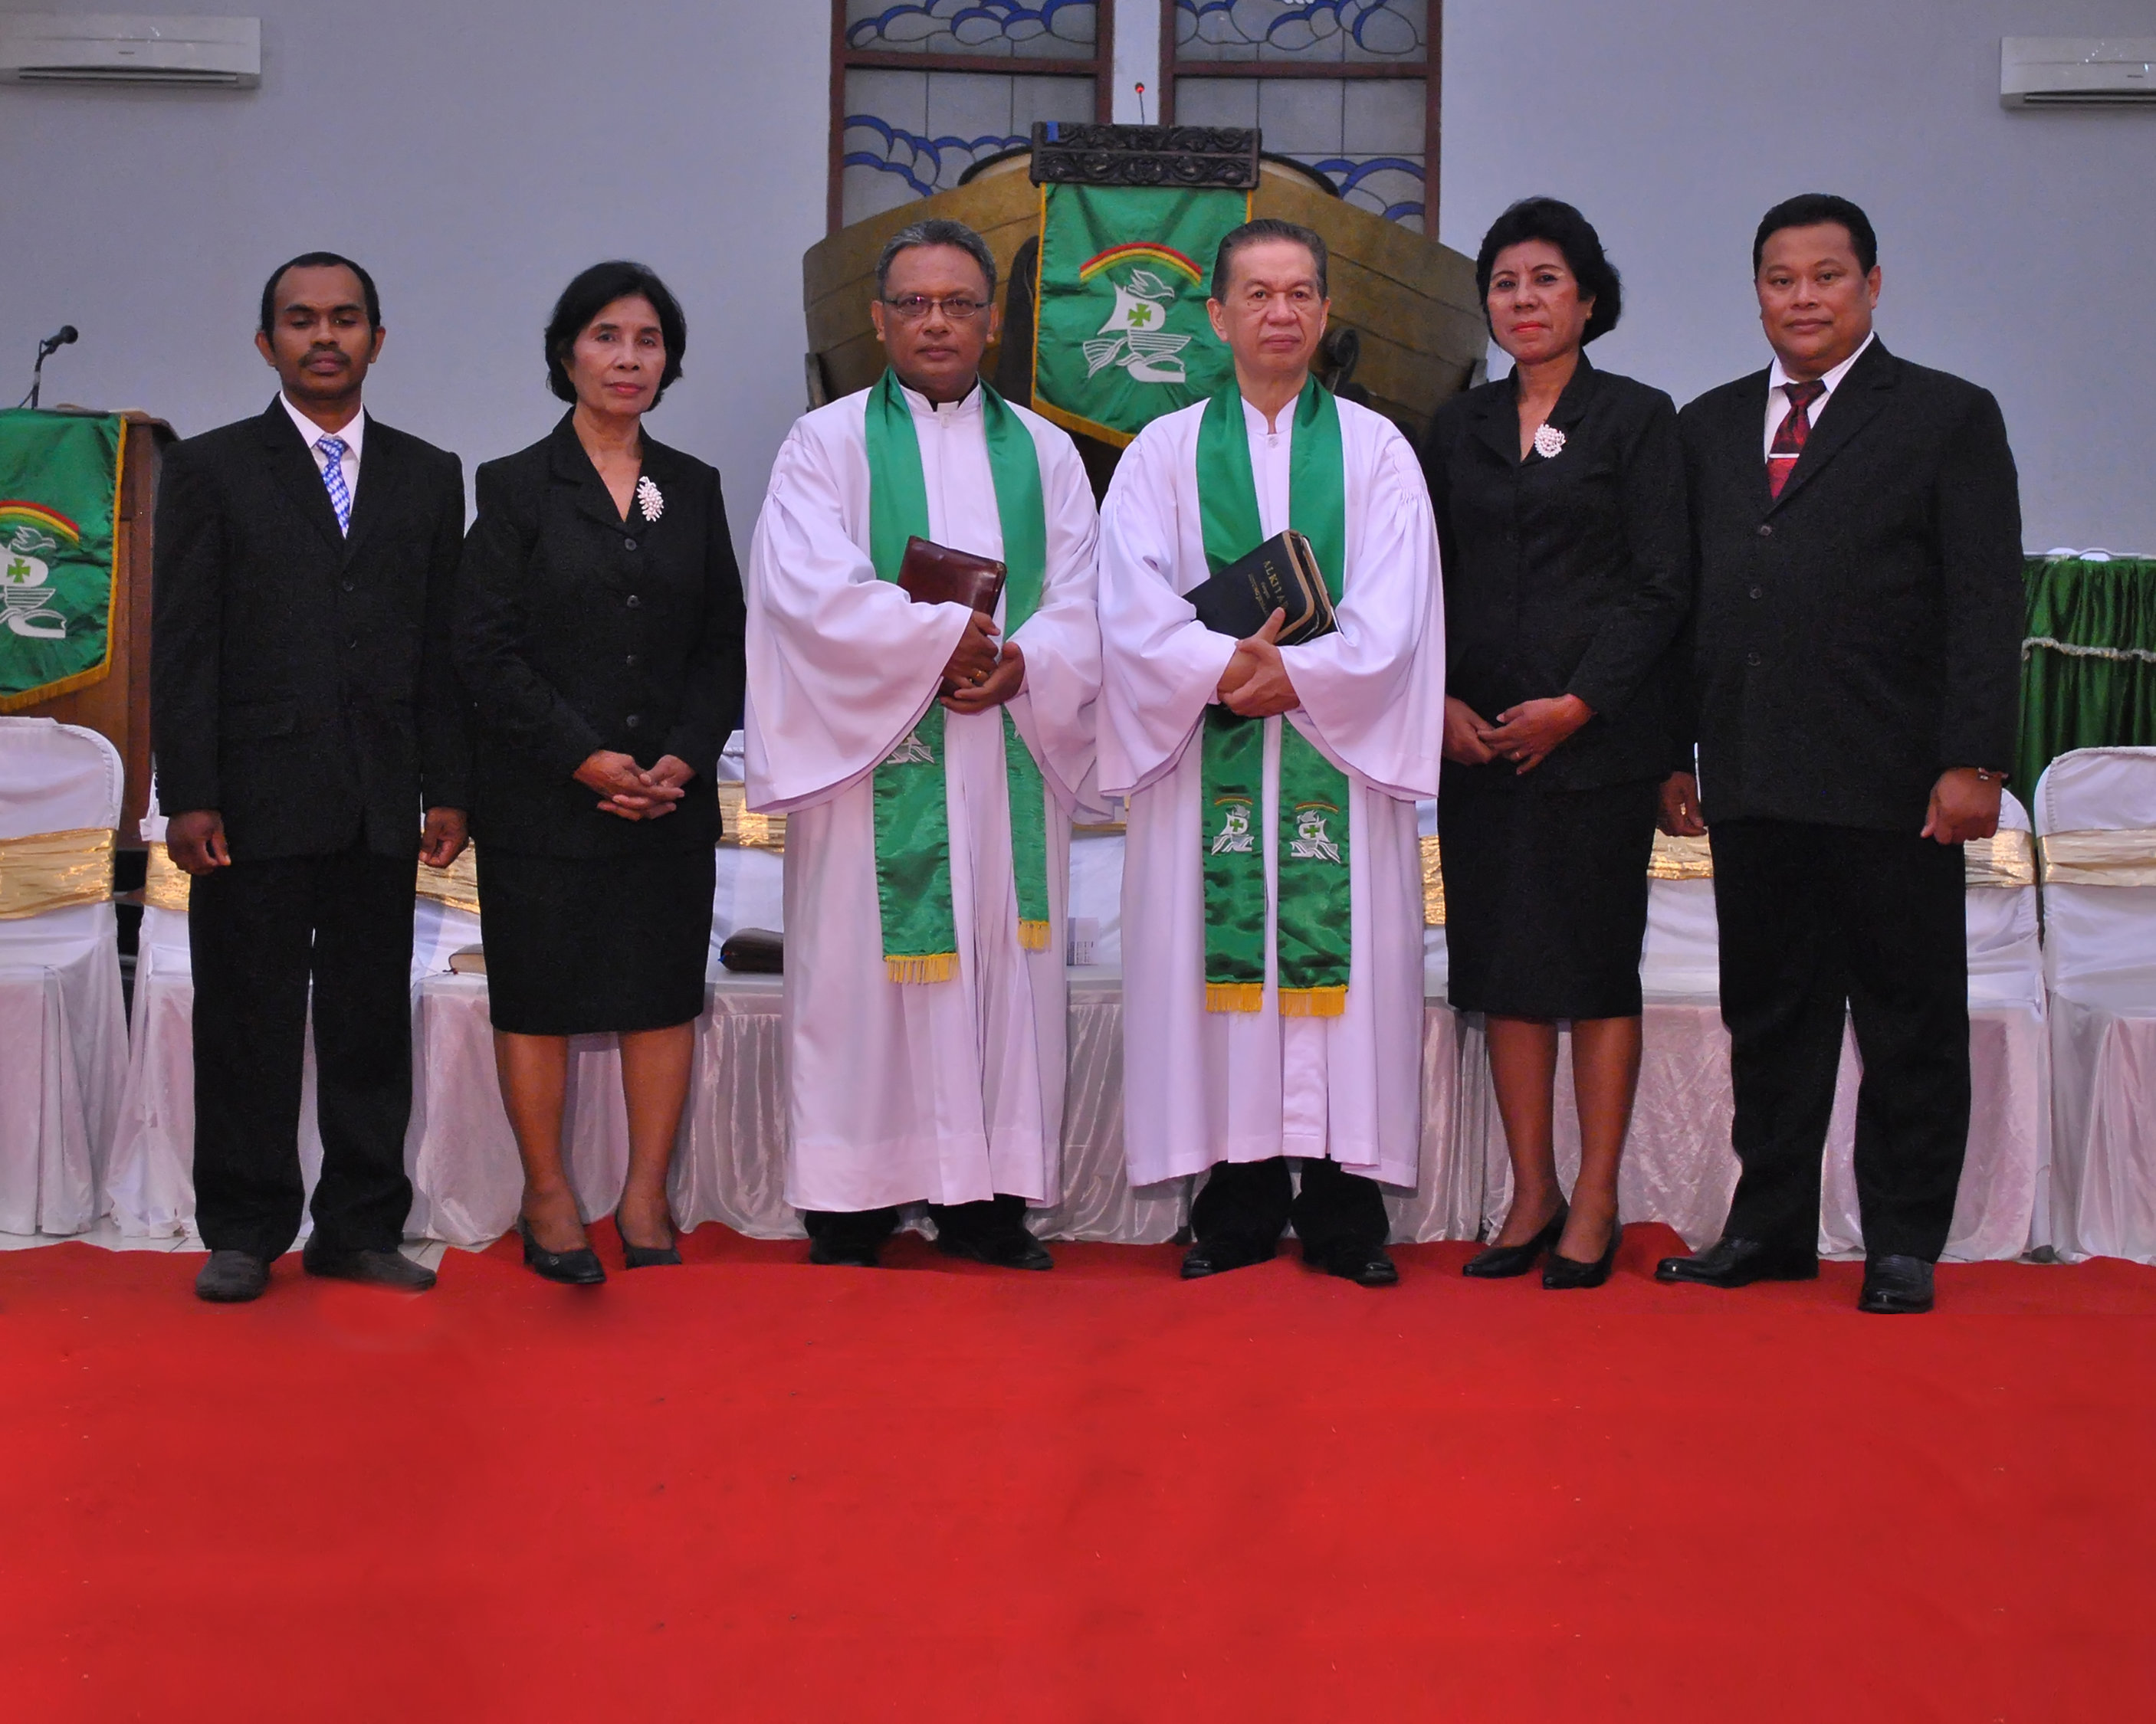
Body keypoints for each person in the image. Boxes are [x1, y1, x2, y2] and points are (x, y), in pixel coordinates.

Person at [1654, 194, 2023, 1315]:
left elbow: (1982, 596)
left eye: (1825, 275)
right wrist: (1677, 751)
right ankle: (1767, 1229)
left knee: (1907, 1012)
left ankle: (1902, 1238)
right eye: (1779, 278)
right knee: (1768, 1014)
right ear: (1756, 291)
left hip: (1894, 778)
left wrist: (1975, 761)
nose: (1801, 297)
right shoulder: (1706, 426)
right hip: (1753, 777)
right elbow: (1684, 603)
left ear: (1872, 284)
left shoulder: (1947, 416)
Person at [744, 217, 1101, 1270]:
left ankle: (984, 1200)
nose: (935, 321)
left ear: (992, 322)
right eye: (913, 303)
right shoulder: (826, 444)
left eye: (957, 303)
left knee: (994, 969)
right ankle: (852, 1197)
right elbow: (805, 593)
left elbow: (1088, 598)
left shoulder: (1044, 451)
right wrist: (941, 640)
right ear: (876, 320)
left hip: (1002, 757)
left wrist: (1025, 663)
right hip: (875, 763)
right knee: (862, 972)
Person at [1097, 218, 1445, 1286]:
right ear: (1216, 315)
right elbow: (1129, 601)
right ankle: (1235, 1199)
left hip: (1334, 765)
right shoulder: (1161, 453)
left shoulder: (1379, 453)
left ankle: (1343, 1209)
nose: (1280, 313)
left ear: (1326, 312)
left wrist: (1293, 677)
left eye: (1299, 293)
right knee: (1216, 977)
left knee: (1345, 983)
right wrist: (1220, 672)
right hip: (1212, 767)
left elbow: (1400, 608)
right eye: (1256, 294)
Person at [152, 252, 469, 1303]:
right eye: (300, 320)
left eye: (344, 319)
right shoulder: (210, 467)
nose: (323, 336)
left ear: (378, 338)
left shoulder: (429, 472)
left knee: (370, 1017)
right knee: (248, 1013)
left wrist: (450, 786)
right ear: (266, 343)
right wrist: (187, 790)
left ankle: (359, 1227)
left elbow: (438, 647)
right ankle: (244, 1228)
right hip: (248, 796)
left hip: (381, 795)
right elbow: (185, 643)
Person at [455, 261, 746, 1284]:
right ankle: (548, 1198)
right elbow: (484, 650)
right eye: (606, 337)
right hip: (544, 794)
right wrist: (586, 759)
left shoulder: (697, 486)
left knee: (659, 995)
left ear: (668, 361)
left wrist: (679, 757)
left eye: (648, 340)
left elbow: (722, 644)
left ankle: (646, 1192)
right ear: (566, 353)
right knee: (538, 997)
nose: (628, 358)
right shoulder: (512, 486)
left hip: (667, 796)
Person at [1419, 199, 1688, 1289]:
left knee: (1589, 970)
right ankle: (1530, 1191)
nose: (1522, 301)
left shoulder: (1636, 418)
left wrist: (1578, 703)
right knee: (1503, 973)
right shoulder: (1454, 426)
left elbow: (1662, 585)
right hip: (1476, 743)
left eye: (1544, 280)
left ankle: (1597, 1195)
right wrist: (1433, 698)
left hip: (1592, 746)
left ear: (1586, 296)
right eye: (1503, 282)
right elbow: (1417, 578)